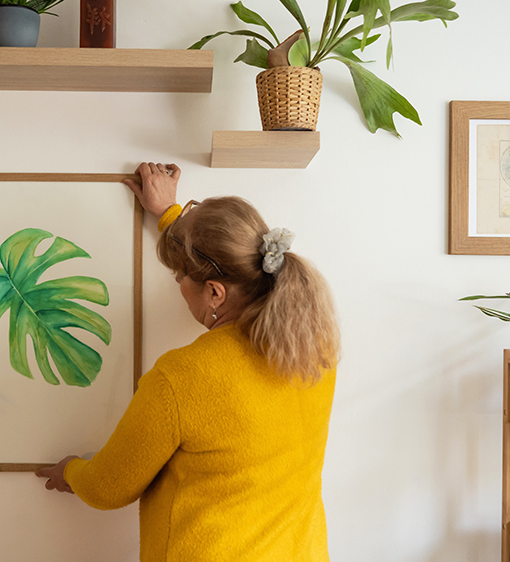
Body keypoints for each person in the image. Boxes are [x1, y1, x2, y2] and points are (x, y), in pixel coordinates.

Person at [35, 162, 340, 561]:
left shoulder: (184, 376)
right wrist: (170, 215)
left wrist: (72, 471)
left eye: (180, 275)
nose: (178, 284)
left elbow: (109, 487)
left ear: (215, 293)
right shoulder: (314, 349)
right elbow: (231, 258)